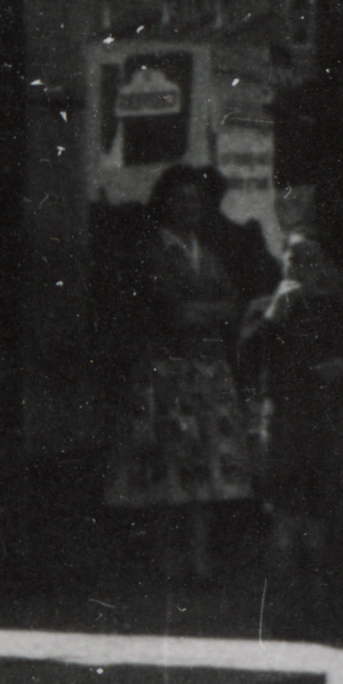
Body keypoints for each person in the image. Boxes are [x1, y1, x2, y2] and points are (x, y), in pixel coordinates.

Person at [98, 162, 266, 598]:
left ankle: (200, 561)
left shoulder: (204, 251)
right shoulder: (151, 249)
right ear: (163, 202)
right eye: (180, 199)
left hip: (205, 370)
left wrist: (207, 312)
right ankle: (167, 564)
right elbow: (174, 311)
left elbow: (234, 304)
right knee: (168, 467)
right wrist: (211, 311)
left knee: (204, 468)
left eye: (197, 200)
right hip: (167, 372)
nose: (190, 207)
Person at [246, 209, 343, 638]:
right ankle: (282, 614)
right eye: (293, 259)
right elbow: (247, 358)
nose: (301, 268)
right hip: (282, 426)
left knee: (320, 523)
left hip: (325, 426)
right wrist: (274, 314)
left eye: (310, 260)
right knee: (285, 521)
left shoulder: (334, 309)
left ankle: (319, 613)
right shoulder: (264, 309)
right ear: (281, 261)